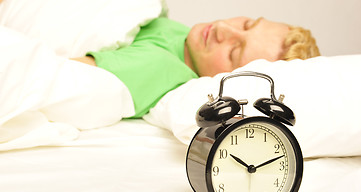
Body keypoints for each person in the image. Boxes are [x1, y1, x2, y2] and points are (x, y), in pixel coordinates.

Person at [72, 16, 320, 118]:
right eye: (247, 24)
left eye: (234, 51)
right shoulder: (185, 37)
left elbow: (64, 76)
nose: (224, 29)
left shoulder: (159, 68)